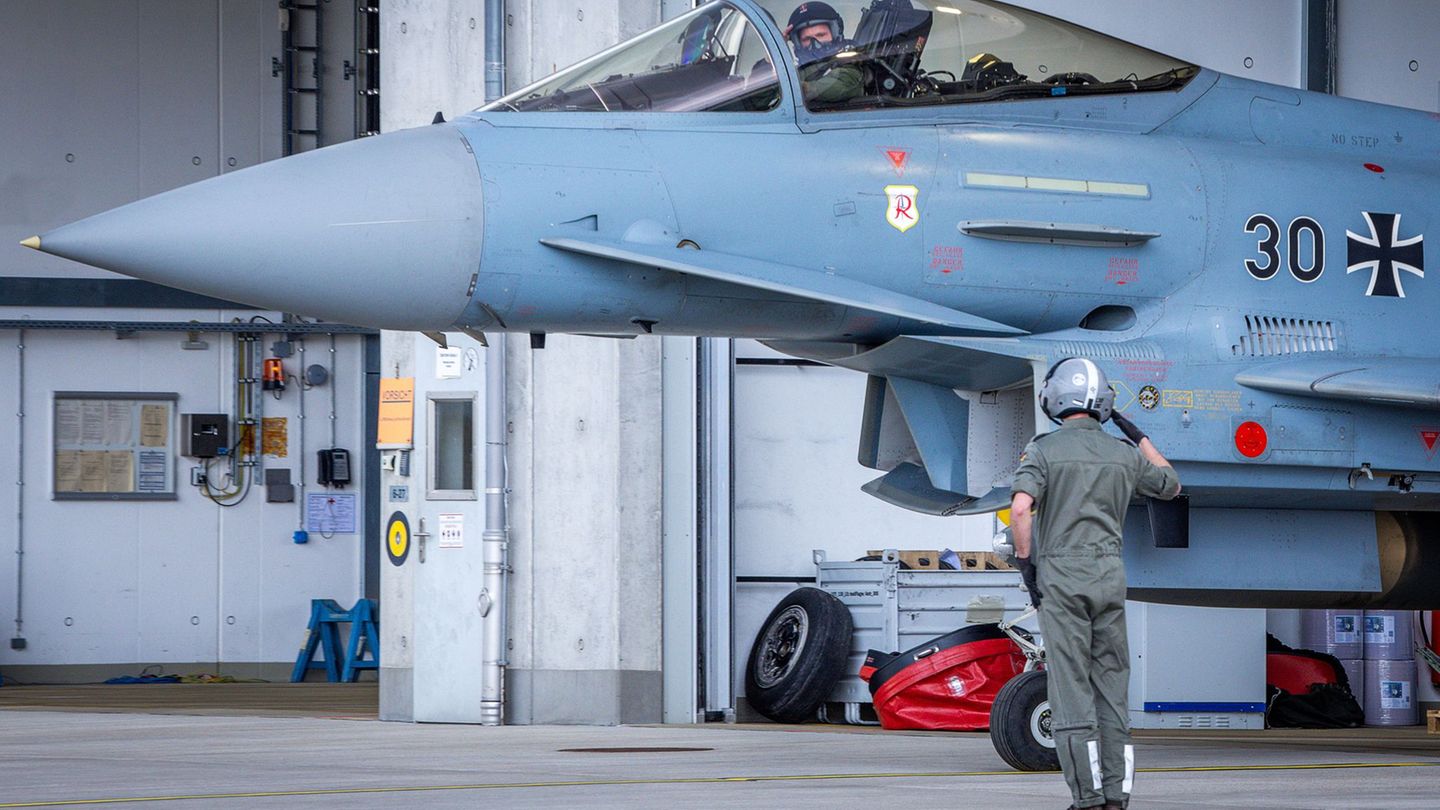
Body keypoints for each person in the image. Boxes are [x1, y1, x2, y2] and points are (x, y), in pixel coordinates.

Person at [1009, 358, 1181, 810]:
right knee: (1112, 694)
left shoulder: (1043, 450)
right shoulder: (1123, 454)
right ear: (1101, 403)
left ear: (1054, 399)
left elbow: (1022, 507)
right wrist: (1137, 434)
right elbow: (1170, 484)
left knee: (1071, 695)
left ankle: (1087, 801)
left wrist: (1027, 567)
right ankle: (1116, 798)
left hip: (1062, 584)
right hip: (1109, 580)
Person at [784, 2, 863, 104]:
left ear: (835, 33)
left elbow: (838, 85)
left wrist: (791, 88)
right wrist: (771, 61)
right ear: (797, 43)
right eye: (807, 39)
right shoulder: (793, 72)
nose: (815, 44)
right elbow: (758, 98)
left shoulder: (850, 65)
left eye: (821, 35)